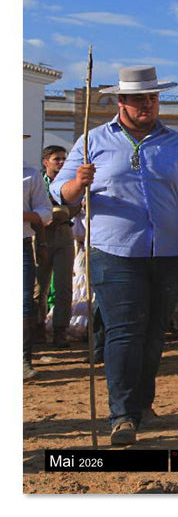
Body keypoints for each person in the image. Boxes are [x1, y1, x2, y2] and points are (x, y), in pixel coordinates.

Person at [51, 66, 178, 445]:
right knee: (125, 331)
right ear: (120, 101)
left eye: (153, 97)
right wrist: (79, 181)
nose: (148, 104)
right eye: (140, 98)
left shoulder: (177, 145)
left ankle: (142, 403)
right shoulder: (92, 141)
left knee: (154, 333)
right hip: (114, 253)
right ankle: (123, 415)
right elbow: (61, 193)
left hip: (167, 254)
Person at [35, 145, 80, 348]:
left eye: (64, 158)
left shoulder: (69, 182)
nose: (62, 162)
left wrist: (67, 209)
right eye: (57, 159)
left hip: (64, 232)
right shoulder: (36, 182)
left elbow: (78, 204)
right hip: (40, 234)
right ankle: (37, 329)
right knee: (39, 286)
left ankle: (60, 331)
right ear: (46, 162)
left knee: (64, 286)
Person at [23, 135, 53, 380]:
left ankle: (23, 359)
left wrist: (23, 215)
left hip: (20, 243)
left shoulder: (29, 175)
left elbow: (44, 211)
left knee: (24, 303)